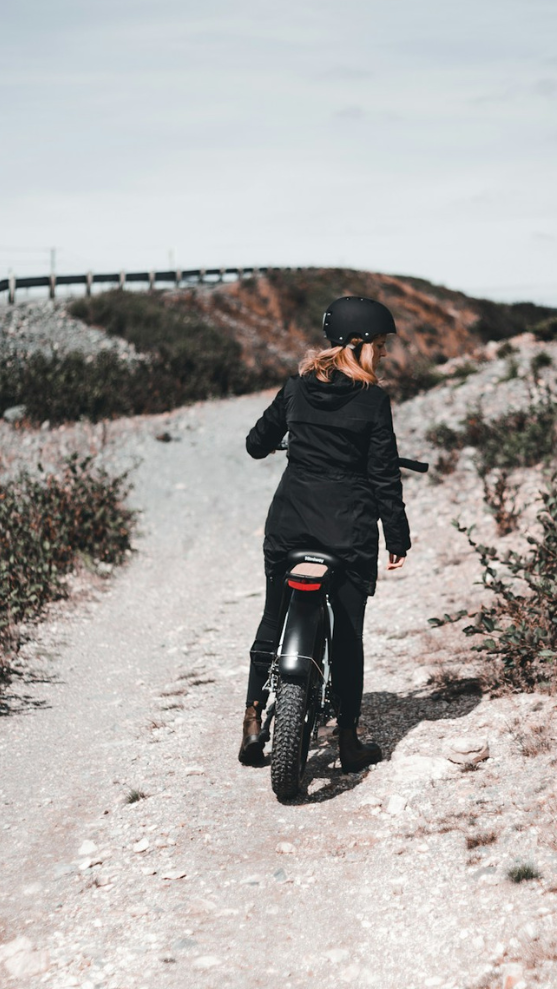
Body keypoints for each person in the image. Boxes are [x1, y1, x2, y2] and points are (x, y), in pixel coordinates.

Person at [239, 295, 411, 773]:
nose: (383, 353)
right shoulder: (373, 400)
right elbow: (383, 478)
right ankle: (349, 740)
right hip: (347, 533)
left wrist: (284, 438)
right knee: (348, 633)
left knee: (273, 616)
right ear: (360, 346)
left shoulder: (295, 389)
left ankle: (253, 718)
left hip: (289, 524)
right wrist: (397, 538)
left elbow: (256, 445)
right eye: (379, 345)